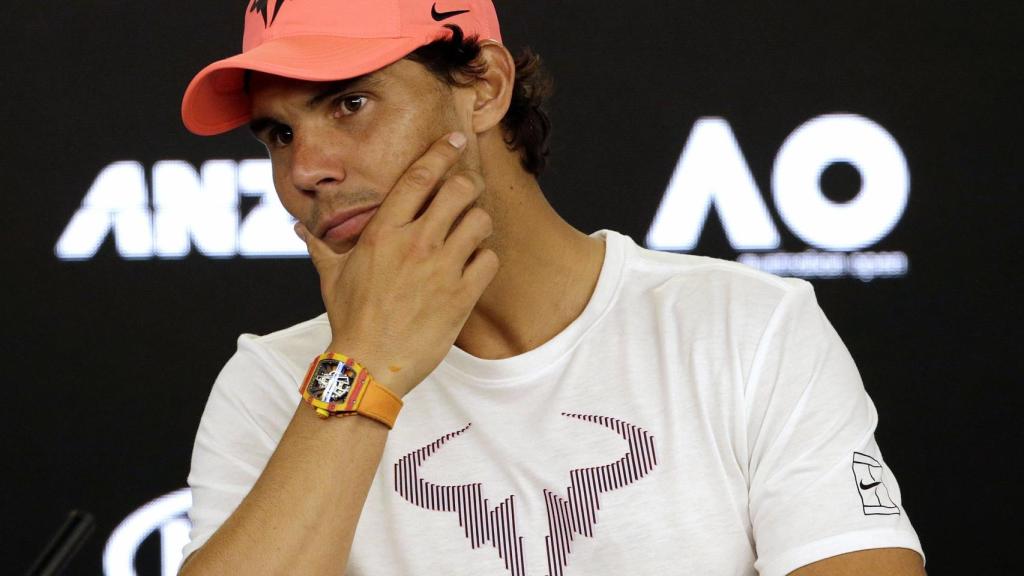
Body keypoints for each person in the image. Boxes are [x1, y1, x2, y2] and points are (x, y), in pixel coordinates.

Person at [178, 1, 926, 574]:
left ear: (483, 85)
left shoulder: (745, 328)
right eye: (278, 134)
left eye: (349, 103)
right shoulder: (274, 387)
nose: (305, 169)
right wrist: (366, 362)